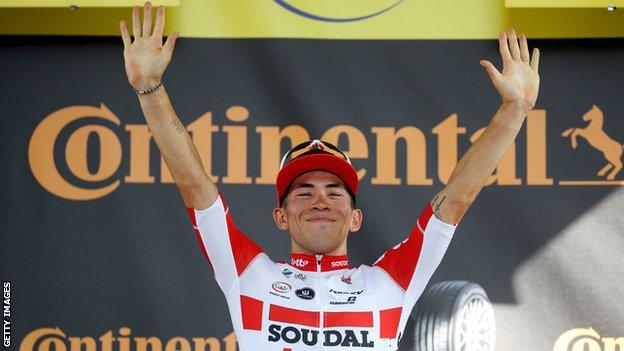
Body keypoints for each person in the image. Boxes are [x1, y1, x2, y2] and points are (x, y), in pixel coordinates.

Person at [119, 3, 540, 350]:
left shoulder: (391, 281)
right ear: (280, 216)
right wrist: (150, 89)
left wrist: (513, 111)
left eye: (334, 191)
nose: (319, 200)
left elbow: (456, 200)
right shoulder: (248, 275)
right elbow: (196, 188)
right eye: (302, 191)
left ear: (356, 218)